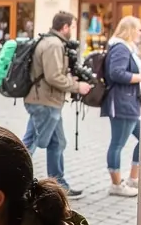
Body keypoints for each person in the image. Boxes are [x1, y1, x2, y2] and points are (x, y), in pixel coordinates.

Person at [23, 11, 91, 198]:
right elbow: (53, 76)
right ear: (65, 27)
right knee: (30, 144)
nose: (74, 31)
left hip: (48, 101)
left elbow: (51, 74)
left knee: (57, 142)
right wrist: (78, 86)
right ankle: (13, 182)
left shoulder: (52, 42)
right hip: (44, 102)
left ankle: (58, 185)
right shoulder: (53, 44)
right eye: (73, 26)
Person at [102, 15, 141, 197]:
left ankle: (133, 178)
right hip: (122, 102)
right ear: (130, 30)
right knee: (117, 143)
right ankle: (116, 184)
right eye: (139, 29)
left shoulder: (127, 48)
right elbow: (116, 73)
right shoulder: (121, 48)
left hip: (129, 101)